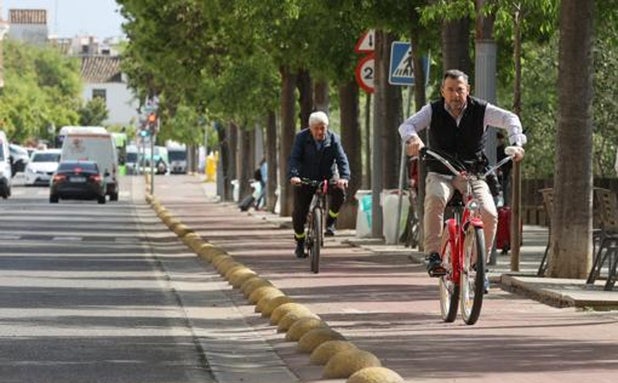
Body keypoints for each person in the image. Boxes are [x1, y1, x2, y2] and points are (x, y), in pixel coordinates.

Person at [398, 69, 526, 284]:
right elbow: (407, 125)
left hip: (471, 174)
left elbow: (509, 118)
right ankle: (433, 255)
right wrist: (413, 139)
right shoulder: (432, 110)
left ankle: (480, 266)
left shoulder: (481, 110)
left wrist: (517, 143)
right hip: (441, 172)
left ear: (468, 90)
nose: (455, 95)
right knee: (436, 198)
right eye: (450, 90)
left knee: (489, 213)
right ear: (442, 91)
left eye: (460, 90)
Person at [288, 111, 351, 258]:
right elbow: (294, 159)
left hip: (327, 177)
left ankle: (330, 222)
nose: (320, 131)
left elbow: (342, 159)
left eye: (323, 128)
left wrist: (344, 177)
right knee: (299, 213)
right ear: (310, 128)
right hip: (305, 179)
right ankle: (300, 242)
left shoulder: (334, 139)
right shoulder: (301, 138)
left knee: (339, 192)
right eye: (316, 128)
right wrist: (294, 175)